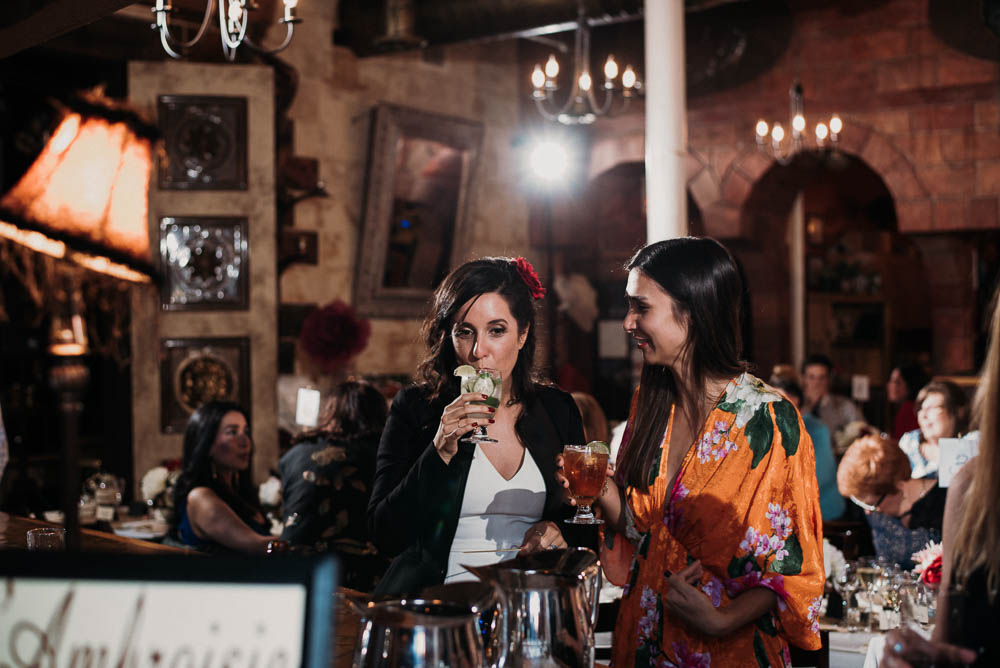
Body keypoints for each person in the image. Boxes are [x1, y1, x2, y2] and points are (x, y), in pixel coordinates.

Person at [563, 237, 824, 666]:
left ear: (694, 310)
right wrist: (593, 484)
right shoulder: (649, 404)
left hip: (723, 645)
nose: (628, 323)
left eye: (641, 307)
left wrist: (722, 619)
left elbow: (791, 561)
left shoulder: (768, 419)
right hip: (644, 631)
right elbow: (639, 528)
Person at [368, 256, 586, 596]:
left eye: (496, 331)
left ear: (523, 334)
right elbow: (385, 534)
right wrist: (439, 450)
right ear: (448, 337)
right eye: (464, 332)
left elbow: (583, 523)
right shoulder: (416, 409)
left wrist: (556, 530)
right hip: (437, 606)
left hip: (527, 604)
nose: (478, 351)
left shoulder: (557, 410)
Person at [882, 297, 1000, 667]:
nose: (925, 417)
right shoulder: (971, 486)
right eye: (923, 410)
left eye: (934, 409)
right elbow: (947, 635)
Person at [279, 380, 389, 591]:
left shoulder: (295, 454)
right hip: (365, 580)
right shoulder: (382, 455)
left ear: (329, 411)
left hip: (296, 571)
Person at [170, 401, 273, 553]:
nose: (245, 442)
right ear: (207, 444)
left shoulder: (238, 491)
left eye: (246, 431)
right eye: (232, 432)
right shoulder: (200, 498)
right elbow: (256, 544)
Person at [836, 432, 945, 569]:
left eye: (871, 504)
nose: (867, 512)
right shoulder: (873, 511)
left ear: (900, 486)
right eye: (860, 503)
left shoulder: (943, 502)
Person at [772, 378, 845, 521]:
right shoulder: (774, 430)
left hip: (822, 510)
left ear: (795, 400)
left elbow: (818, 478)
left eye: (777, 400)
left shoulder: (816, 430)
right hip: (792, 509)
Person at [897, 380, 970, 480]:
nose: (923, 415)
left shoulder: (971, 445)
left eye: (932, 408)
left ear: (958, 412)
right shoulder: (908, 444)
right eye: (920, 409)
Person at [801, 353, 863, 447]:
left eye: (822, 377)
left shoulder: (845, 406)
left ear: (829, 379)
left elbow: (861, 430)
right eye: (811, 377)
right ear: (804, 379)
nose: (816, 383)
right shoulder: (795, 406)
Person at [887, 363, 929, 440]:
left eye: (897, 382)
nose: (890, 385)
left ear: (910, 385)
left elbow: (898, 444)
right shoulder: (908, 407)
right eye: (891, 381)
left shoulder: (908, 409)